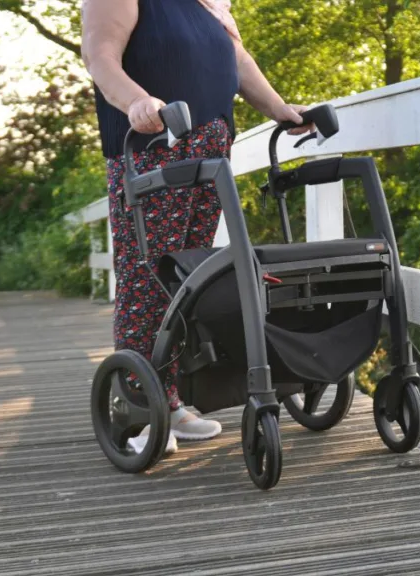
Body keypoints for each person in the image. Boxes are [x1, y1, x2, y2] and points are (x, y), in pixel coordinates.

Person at [80, 0, 312, 454]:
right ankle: (140, 407)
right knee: (147, 276)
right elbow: (99, 56)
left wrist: (280, 108)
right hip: (151, 147)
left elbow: (237, 61)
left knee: (187, 277)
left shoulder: (210, 2)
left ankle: (172, 400)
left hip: (210, 147)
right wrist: (137, 101)